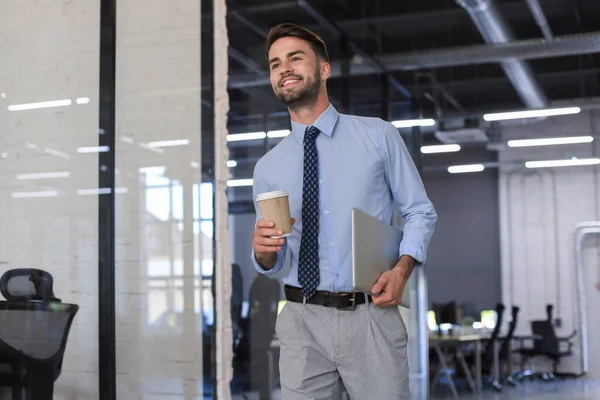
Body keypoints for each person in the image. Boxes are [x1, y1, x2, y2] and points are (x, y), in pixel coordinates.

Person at [250, 23, 437, 400]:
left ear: (323, 69)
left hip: (370, 317)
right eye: (274, 64)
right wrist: (263, 252)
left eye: (295, 58)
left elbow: (420, 212)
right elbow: (277, 256)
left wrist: (402, 270)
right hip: (301, 321)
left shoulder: (377, 136)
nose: (283, 68)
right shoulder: (268, 167)